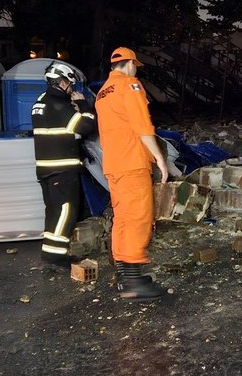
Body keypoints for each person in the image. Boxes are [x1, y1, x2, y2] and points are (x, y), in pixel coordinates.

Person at [95, 47, 169, 302]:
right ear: (130, 64)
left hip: (113, 164)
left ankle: (127, 277)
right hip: (132, 162)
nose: (136, 69)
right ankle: (134, 281)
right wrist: (159, 157)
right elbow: (142, 125)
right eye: (135, 65)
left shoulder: (102, 93)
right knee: (138, 217)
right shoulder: (130, 85)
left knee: (123, 218)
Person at [31, 61, 97, 266]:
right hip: (62, 169)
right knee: (66, 211)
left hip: (46, 168)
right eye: (70, 84)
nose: (71, 88)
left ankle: (49, 251)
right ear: (61, 81)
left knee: (53, 211)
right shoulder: (58, 105)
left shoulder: (41, 101)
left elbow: (63, 130)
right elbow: (86, 126)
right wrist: (84, 105)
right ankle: (56, 256)